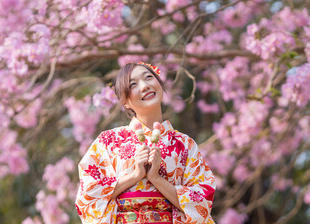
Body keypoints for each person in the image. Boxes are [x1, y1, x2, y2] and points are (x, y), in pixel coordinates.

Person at [75, 61, 216, 224]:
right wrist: (135, 175)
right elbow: (88, 196)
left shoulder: (185, 145)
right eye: (133, 84)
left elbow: (202, 201)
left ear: (160, 85)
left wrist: (156, 178)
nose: (144, 86)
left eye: (148, 77)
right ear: (125, 101)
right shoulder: (108, 141)